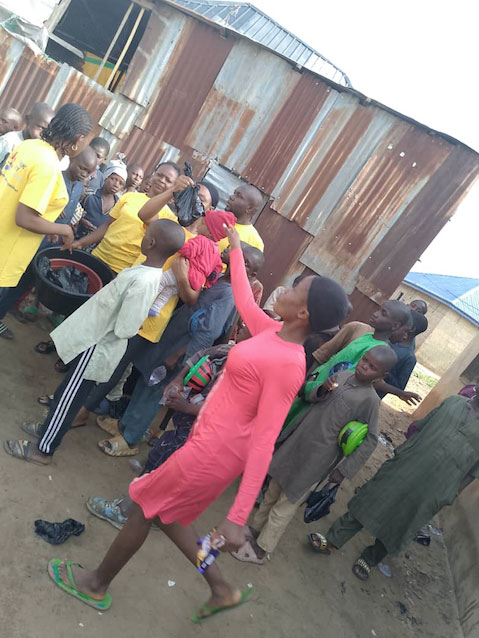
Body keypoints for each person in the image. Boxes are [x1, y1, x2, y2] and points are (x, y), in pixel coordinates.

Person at [45, 223, 349, 617]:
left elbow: (264, 441)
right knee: (168, 518)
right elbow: (245, 300)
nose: (284, 291)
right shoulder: (274, 332)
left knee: (144, 506)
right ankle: (221, 589)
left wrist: (236, 518)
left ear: (304, 312)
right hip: (207, 442)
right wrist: (235, 247)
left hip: (214, 453)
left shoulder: (289, 365)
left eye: (294, 290)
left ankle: (96, 584)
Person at [3, 219, 186, 465]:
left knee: (69, 399)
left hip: (98, 345)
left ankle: (43, 449)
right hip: (94, 340)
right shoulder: (146, 273)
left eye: (146, 235)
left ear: (151, 242)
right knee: (66, 391)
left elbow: (127, 326)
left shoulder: (145, 281)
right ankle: (47, 429)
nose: (142, 237)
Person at [232, 345, 398, 564]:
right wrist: (322, 389)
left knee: (288, 500)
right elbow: (312, 397)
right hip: (298, 441)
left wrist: (344, 470)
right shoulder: (343, 375)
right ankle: (254, 530)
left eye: (372, 367)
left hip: (319, 457)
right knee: (273, 489)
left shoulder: (370, 401)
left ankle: (263, 548)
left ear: (382, 375)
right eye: (364, 360)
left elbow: (371, 439)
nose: (364, 366)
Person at [308, 386, 479, 581]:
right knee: (372, 498)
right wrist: (402, 453)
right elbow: (420, 427)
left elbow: (473, 472)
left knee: (404, 522)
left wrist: (452, 493)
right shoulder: (453, 402)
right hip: (405, 465)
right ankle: (333, 539)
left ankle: (371, 557)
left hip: (437, 488)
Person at [86, 339, 241, 529]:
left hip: (200, 434)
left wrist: (188, 408)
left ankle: (125, 512)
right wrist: (178, 379)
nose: (242, 328)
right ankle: (153, 514)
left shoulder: (246, 373)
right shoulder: (229, 350)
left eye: (248, 328)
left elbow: (226, 411)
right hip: (183, 424)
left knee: (160, 469)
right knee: (160, 464)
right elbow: (201, 355)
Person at [0, 103, 93, 339]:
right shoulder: (49, 165)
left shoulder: (30, 146)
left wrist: (48, 222)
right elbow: (24, 217)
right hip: (6, 252)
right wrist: (64, 229)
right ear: (78, 139)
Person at [73, 163, 183, 273]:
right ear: (153, 174)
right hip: (98, 256)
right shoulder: (129, 197)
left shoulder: (169, 218)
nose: (162, 180)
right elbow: (107, 225)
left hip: (122, 271)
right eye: (159, 175)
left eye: (168, 180)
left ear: (174, 186)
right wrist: (81, 243)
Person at [40, 147, 98, 249]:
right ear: (72, 159)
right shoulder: (55, 178)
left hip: (58, 239)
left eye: (88, 172)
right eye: (82, 168)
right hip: (40, 233)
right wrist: (52, 205)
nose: (84, 174)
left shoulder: (79, 187)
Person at [374, 311, 428, 403]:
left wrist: (383, 369)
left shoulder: (409, 358)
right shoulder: (387, 338)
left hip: (373, 395)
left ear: (411, 328)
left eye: (404, 321)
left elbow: (399, 387)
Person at [0, 102, 54, 168]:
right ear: (27, 120)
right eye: (40, 127)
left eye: (46, 131)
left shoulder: (40, 151)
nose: (42, 134)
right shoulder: (9, 141)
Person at [80, 161, 127, 232]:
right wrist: (81, 220)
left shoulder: (119, 205)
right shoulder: (89, 195)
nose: (116, 185)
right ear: (106, 177)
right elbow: (74, 211)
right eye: (113, 179)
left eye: (121, 183)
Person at [217, 184, 265, 253]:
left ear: (249, 208)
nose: (231, 197)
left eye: (239, 196)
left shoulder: (254, 241)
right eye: (234, 193)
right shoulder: (216, 218)